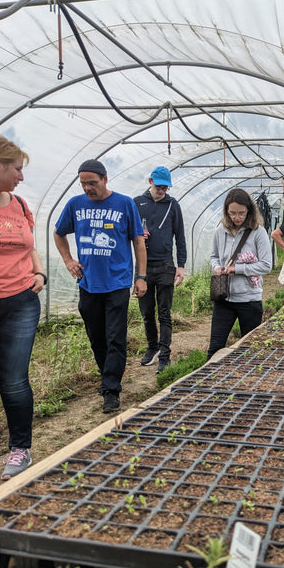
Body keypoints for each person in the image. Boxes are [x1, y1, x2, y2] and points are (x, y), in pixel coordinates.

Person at [54, 159, 147, 414]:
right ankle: (108, 376)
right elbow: (58, 233)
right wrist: (68, 260)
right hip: (88, 283)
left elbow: (138, 242)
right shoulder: (75, 204)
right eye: (83, 184)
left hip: (117, 282)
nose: (87, 188)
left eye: (92, 183)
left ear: (105, 179)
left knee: (115, 337)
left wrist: (141, 277)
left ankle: (111, 389)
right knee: (96, 336)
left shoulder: (125, 203)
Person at [0, 134, 46, 479]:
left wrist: (40, 271)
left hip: (21, 302)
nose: (21, 176)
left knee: (13, 380)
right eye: (16, 169)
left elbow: (29, 246)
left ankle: (20, 450)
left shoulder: (20, 205)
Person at [207, 188, 272, 360]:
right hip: (224, 298)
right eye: (232, 213)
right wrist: (217, 267)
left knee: (249, 351)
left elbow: (266, 265)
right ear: (226, 212)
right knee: (215, 348)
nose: (237, 217)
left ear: (249, 211)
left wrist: (239, 269)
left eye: (241, 213)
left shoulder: (258, 232)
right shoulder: (220, 231)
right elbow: (214, 256)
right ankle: (208, 384)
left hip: (249, 300)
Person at [134, 166, 187, 374]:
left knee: (164, 313)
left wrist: (180, 266)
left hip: (165, 264)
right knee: (147, 312)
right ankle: (152, 347)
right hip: (143, 267)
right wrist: (138, 235)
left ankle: (165, 355)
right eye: (159, 187)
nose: (162, 191)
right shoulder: (137, 203)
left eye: (165, 188)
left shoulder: (173, 205)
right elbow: (127, 232)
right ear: (150, 182)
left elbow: (180, 237)